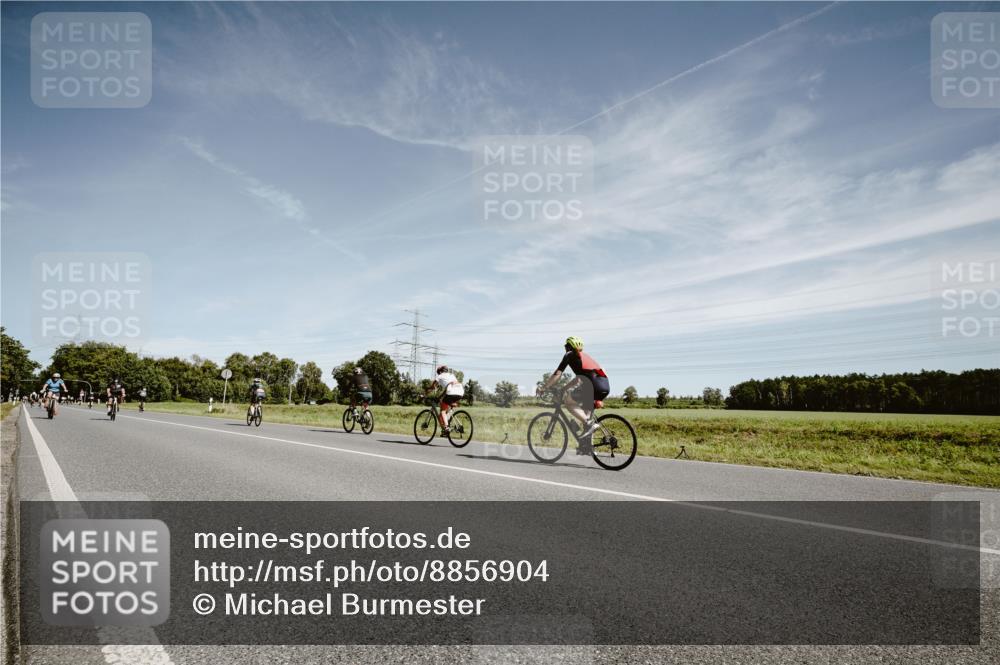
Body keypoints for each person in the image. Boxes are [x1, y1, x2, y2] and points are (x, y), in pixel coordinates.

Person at [537, 336, 610, 454]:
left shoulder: (569, 355)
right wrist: (564, 388)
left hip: (591, 386)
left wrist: (544, 388)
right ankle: (587, 448)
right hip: (604, 386)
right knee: (585, 417)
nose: (565, 348)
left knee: (568, 402)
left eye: (566, 346)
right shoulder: (584, 358)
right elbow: (578, 379)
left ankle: (589, 423)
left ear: (569, 347)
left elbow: (557, 373)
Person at [429, 365, 464, 433]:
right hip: (460, 391)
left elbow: (432, 387)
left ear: (440, 372)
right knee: (446, 409)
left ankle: (446, 427)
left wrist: (425, 393)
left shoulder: (440, 376)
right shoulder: (451, 375)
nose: (438, 374)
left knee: (442, 411)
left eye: (438, 372)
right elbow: (447, 389)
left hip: (452, 392)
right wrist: (440, 397)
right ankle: (447, 426)